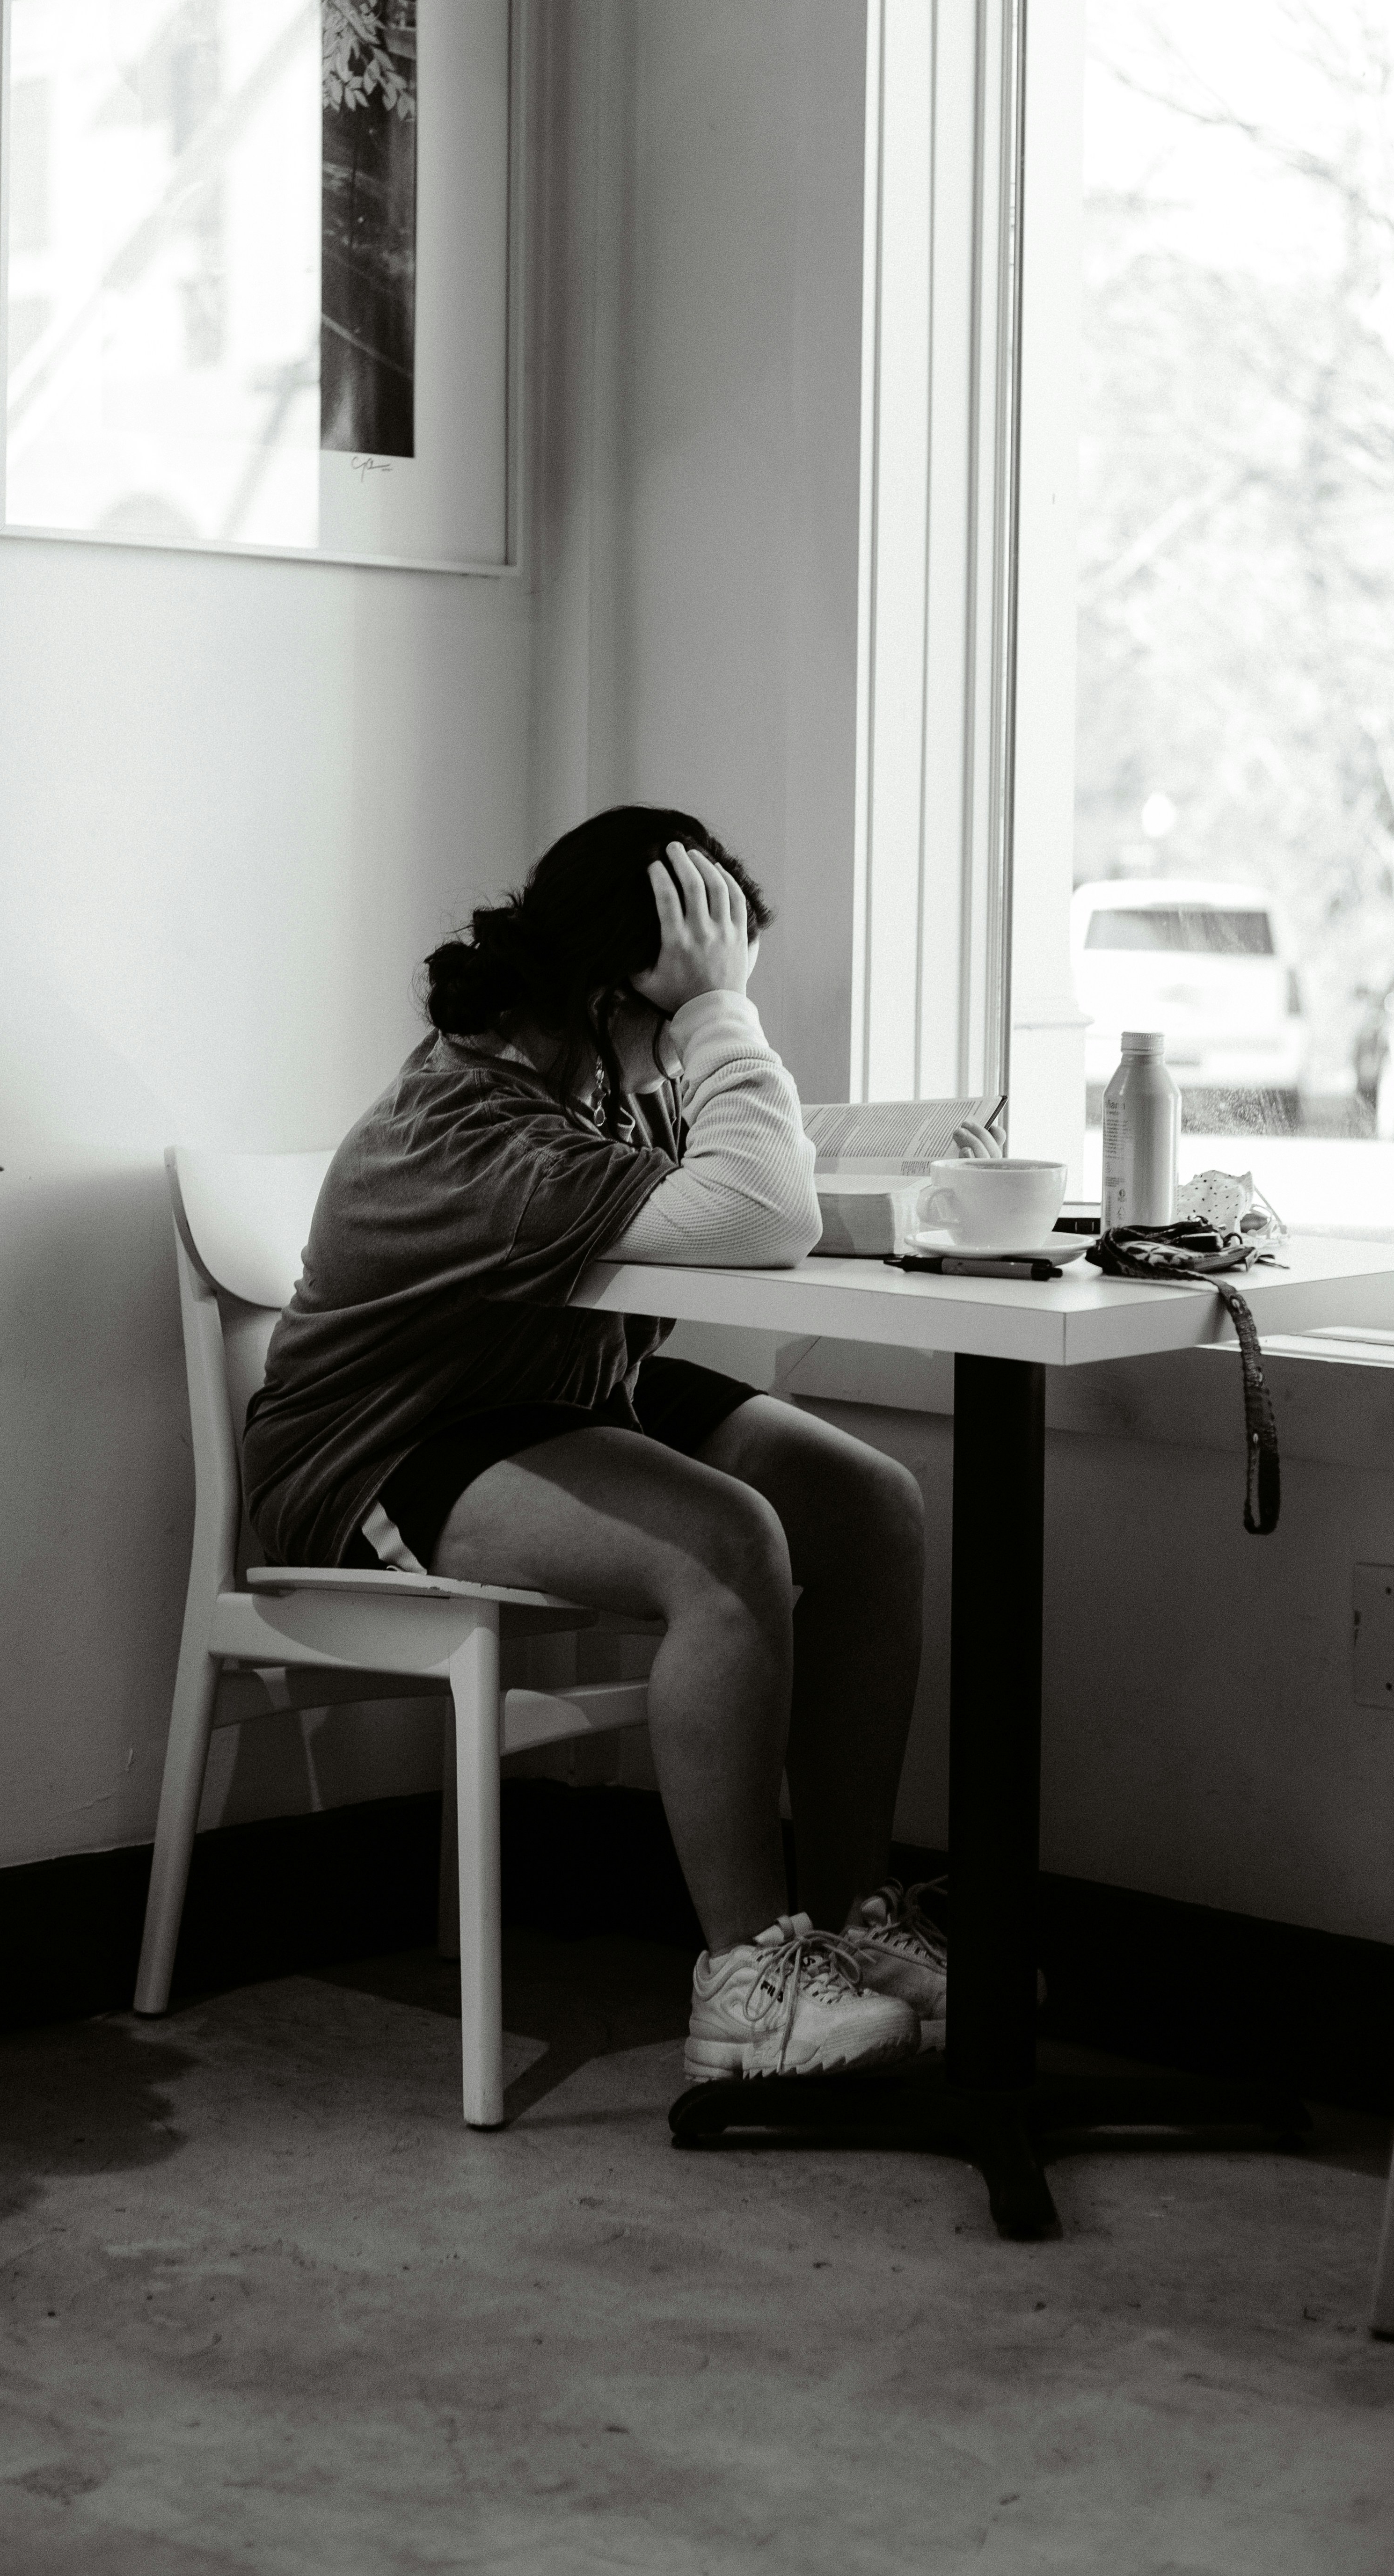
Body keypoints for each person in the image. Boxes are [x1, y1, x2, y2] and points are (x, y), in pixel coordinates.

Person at [243, 806, 951, 2084]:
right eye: (674, 1005)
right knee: (726, 1543)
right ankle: (745, 1980)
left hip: (558, 1390)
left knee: (870, 1502)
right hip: (383, 1445)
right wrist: (722, 1017)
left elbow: (746, 1198)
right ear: (604, 989)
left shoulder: (585, 1080)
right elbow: (759, 1213)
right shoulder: (473, 1134)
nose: (688, 1035)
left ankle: (844, 1925)